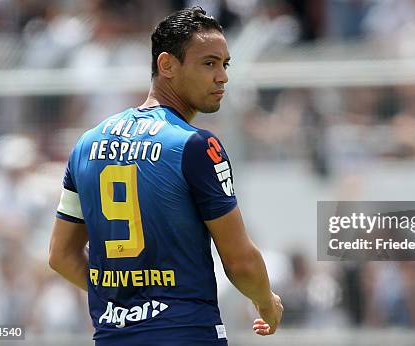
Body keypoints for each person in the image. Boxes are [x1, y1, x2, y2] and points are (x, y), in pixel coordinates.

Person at [48, 7, 282, 345]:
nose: (222, 77)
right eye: (208, 63)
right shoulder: (196, 146)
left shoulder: (87, 143)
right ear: (167, 65)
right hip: (185, 332)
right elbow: (239, 260)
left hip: (113, 335)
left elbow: (60, 256)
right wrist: (266, 303)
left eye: (224, 64)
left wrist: (126, 302)